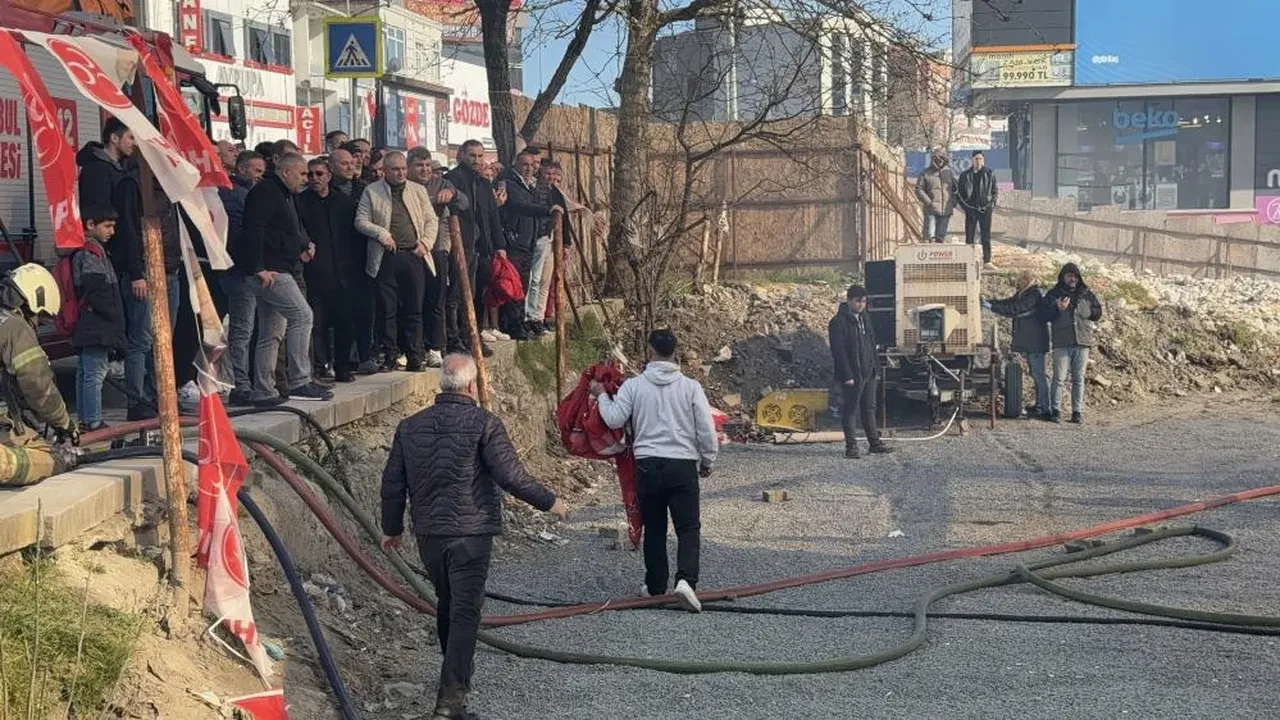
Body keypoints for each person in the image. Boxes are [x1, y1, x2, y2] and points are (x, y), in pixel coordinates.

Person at [380, 353, 567, 720]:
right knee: (465, 613)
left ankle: (454, 684)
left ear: (441, 385)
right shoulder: (484, 423)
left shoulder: (410, 426)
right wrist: (550, 502)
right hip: (471, 532)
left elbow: (392, 484)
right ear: (470, 386)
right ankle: (450, 702)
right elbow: (510, 475)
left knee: (448, 604)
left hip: (430, 534)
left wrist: (392, 529)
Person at [593, 329, 717, 613]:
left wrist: (601, 395)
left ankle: (655, 585)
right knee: (688, 528)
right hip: (683, 464)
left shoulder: (635, 387)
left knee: (655, 527)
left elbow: (613, 418)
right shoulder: (690, 387)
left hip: (647, 464)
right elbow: (706, 430)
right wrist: (707, 460)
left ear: (650, 350)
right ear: (676, 352)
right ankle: (686, 581)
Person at [237, 152, 332, 404]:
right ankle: (300, 380)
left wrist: (304, 244)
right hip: (271, 270)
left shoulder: (285, 195)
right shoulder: (267, 192)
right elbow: (254, 229)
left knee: (271, 331)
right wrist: (258, 267)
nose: (305, 179)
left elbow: (289, 227)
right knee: (303, 316)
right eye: (302, 173)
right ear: (286, 171)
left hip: (279, 267)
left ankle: (264, 389)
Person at [355, 151, 438, 372]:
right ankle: (390, 355)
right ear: (385, 171)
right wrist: (381, 234)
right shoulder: (372, 191)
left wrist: (426, 243)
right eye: (395, 169)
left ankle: (415, 356)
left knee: (414, 309)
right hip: (386, 256)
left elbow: (432, 220)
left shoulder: (418, 190)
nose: (400, 173)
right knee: (386, 309)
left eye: (403, 169)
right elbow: (361, 221)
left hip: (414, 255)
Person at [0, 265, 79, 485]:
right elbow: (38, 386)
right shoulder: (15, 327)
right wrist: (64, 423)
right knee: (51, 459)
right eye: (38, 316)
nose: (35, 323)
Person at [298, 158, 358, 382]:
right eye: (310, 174)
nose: (314, 178)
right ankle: (319, 367)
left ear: (329, 175)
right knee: (316, 325)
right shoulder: (300, 202)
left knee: (344, 323)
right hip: (314, 273)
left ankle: (343, 367)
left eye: (319, 174)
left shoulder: (343, 202)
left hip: (343, 273)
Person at [445, 141, 506, 356]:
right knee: (458, 294)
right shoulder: (452, 180)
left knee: (478, 294)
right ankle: (456, 339)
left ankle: (475, 334)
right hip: (461, 245)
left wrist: (499, 245)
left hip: (482, 247)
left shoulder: (483, 183)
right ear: (461, 155)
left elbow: (493, 216)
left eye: (481, 156)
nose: (477, 161)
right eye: (472, 156)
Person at [71, 207, 126, 431]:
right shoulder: (91, 253)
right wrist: (115, 317)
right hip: (97, 325)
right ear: (90, 224)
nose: (112, 231)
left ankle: (85, 419)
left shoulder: (87, 250)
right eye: (107, 226)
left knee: (85, 372)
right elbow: (98, 289)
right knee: (94, 373)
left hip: (88, 323)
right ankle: (93, 421)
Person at [414, 154, 468, 368]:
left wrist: (452, 192)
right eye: (419, 165)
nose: (425, 169)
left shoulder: (441, 183)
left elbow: (464, 202)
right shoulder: (405, 186)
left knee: (437, 299)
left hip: (437, 249)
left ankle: (435, 347)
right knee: (414, 302)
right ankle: (415, 347)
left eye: (428, 165)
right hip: (412, 249)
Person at [221, 151, 266, 406]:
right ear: (241, 168)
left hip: (244, 270)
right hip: (239, 271)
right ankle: (242, 385)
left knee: (247, 330)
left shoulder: (248, 194)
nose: (260, 175)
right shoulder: (235, 195)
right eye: (256, 170)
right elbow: (239, 236)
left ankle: (246, 382)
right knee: (242, 330)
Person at [828, 285, 894, 458]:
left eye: (864, 301)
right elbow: (838, 352)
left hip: (869, 372)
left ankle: (874, 444)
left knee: (869, 409)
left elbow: (872, 345)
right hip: (853, 375)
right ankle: (851, 448)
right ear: (849, 300)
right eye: (858, 301)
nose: (861, 305)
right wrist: (847, 375)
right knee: (850, 409)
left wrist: (876, 369)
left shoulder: (865, 319)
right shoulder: (838, 322)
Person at [498, 149, 552, 340]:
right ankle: (513, 325)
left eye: (532, 165)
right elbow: (522, 207)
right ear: (516, 165)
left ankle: (521, 322)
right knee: (513, 286)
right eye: (525, 165)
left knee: (525, 285)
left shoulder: (530, 186)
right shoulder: (511, 185)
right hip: (515, 242)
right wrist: (548, 211)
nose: (529, 169)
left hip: (528, 242)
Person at [986, 270, 1050, 421]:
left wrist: (991, 307)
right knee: (1036, 374)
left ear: (1026, 281)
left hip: (1035, 343)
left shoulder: (1033, 295)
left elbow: (1015, 309)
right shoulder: (1025, 294)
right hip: (1032, 342)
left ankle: (1045, 408)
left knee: (1038, 375)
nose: (1017, 284)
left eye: (1019, 281)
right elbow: (1009, 303)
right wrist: (991, 302)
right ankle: (1040, 404)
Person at [1044, 263, 1103, 424]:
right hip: (1062, 342)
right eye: (1069, 276)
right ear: (1063, 277)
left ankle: (1077, 412)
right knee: (1059, 378)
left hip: (1082, 342)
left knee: (1078, 379)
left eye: (1075, 276)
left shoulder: (1086, 293)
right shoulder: (1054, 294)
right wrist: (1057, 308)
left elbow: (1098, 312)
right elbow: (1044, 314)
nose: (1072, 279)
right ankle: (1055, 410)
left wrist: (1089, 312)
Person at [957, 150, 999, 268]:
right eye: (976, 159)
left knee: (986, 236)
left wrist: (991, 205)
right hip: (971, 210)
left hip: (985, 210)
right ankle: (968, 261)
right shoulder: (965, 175)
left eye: (980, 159)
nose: (978, 161)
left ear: (983, 160)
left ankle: (987, 261)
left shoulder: (989, 173)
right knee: (969, 236)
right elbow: (959, 194)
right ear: (972, 160)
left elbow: (995, 192)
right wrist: (966, 208)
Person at [915, 150, 956, 243]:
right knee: (929, 237)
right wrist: (928, 202)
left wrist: (953, 202)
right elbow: (918, 189)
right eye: (938, 159)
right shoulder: (925, 173)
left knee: (941, 238)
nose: (940, 161)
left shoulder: (949, 172)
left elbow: (955, 189)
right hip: (931, 210)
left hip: (945, 210)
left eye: (942, 159)